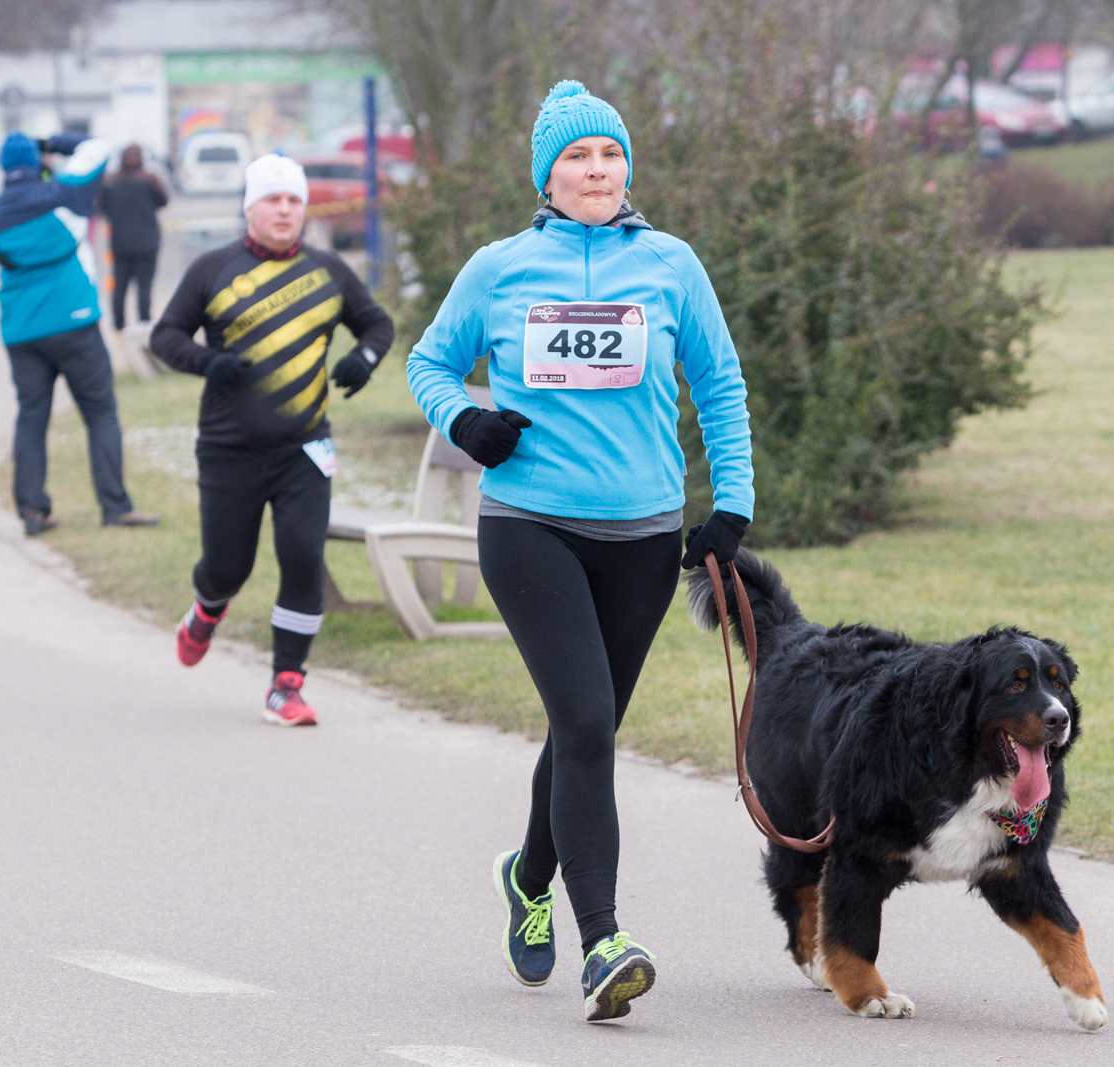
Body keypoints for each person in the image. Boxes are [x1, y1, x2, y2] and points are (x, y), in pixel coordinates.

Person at [405, 80, 754, 1023]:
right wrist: (466, 416)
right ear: (547, 177)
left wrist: (734, 509)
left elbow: (719, 385)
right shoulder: (500, 266)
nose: (595, 172)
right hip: (530, 525)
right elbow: (428, 362)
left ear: (626, 168)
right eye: (576, 159)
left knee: (581, 730)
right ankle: (604, 941)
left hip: (642, 533)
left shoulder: (671, 264)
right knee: (590, 720)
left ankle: (526, 875)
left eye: (609, 157)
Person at [150, 153, 394, 726]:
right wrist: (207, 361)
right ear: (250, 208)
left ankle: (287, 684)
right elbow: (165, 336)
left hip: (305, 448)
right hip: (228, 448)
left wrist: (362, 357)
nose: (284, 210)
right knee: (226, 567)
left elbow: (377, 324)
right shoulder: (212, 269)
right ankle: (208, 609)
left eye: (293, 200)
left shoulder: (329, 270)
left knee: (304, 556)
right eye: (272, 199)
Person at [0, 131, 157, 536]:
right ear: (39, 162)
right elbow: (97, 146)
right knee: (100, 413)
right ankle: (115, 507)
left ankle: (32, 512)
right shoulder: (65, 192)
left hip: (21, 330)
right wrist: (53, 142)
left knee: (31, 418)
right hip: (74, 320)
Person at [99, 144, 169, 331]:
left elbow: (102, 208)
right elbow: (163, 201)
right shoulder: (149, 180)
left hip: (121, 243)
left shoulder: (111, 182)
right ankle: (143, 324)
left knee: (119, 287)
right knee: (144, 288)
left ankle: (119, 325)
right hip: (147, 243)